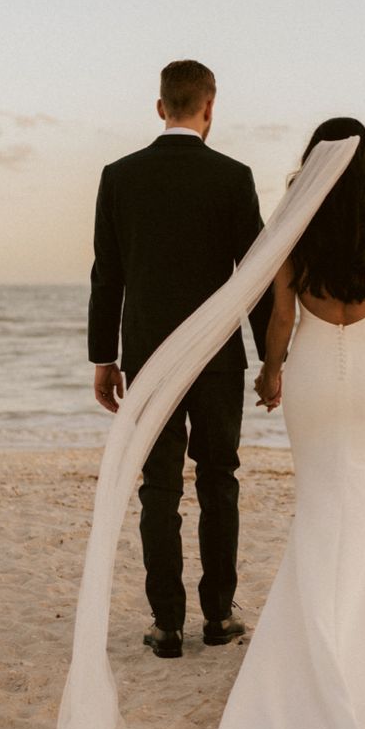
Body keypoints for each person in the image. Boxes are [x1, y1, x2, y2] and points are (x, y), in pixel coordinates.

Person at [208, 116, 365, 729]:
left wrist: (270, 373)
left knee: (319, 511)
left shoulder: (294, 227)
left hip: (312, 374)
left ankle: (314, 652)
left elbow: (281, 317)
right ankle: (349, 656)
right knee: (359, 514)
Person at [87, 60, 273, 659]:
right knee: (220, 481)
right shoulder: (233, 176)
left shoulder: (120, 176)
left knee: (158, 487)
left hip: (147, 355)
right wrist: (272, 358)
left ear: (160, 106)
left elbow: (107, 274)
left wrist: (104, 357)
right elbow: (258, 277)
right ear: (209, 108)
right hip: (219, 359)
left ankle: (166, 625)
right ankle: (218, 617)